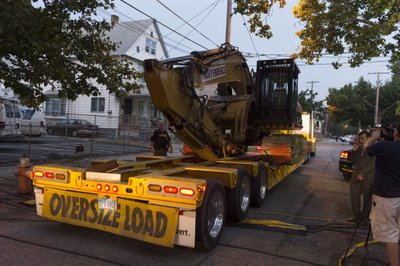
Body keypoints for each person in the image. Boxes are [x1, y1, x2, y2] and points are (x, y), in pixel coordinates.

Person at [365, 123, 400, 266]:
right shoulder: (388, 147)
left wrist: (374, 137)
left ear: (396, 133)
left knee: (390, 235)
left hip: (387, 198)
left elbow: (366, 149)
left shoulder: (385, 147)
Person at [347, 131, 375, 224]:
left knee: (367, 199)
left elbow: (373, 164)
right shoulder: (359, 148)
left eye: (362, 138)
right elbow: (352, 160)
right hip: (356, 176)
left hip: (368, 176)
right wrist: (354, 150)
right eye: (359, 139)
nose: (360, 140)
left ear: (368, 138)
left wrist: (362, 173)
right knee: (354, 194)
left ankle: (364, 218)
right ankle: (356, 216)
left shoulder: (373, 148)